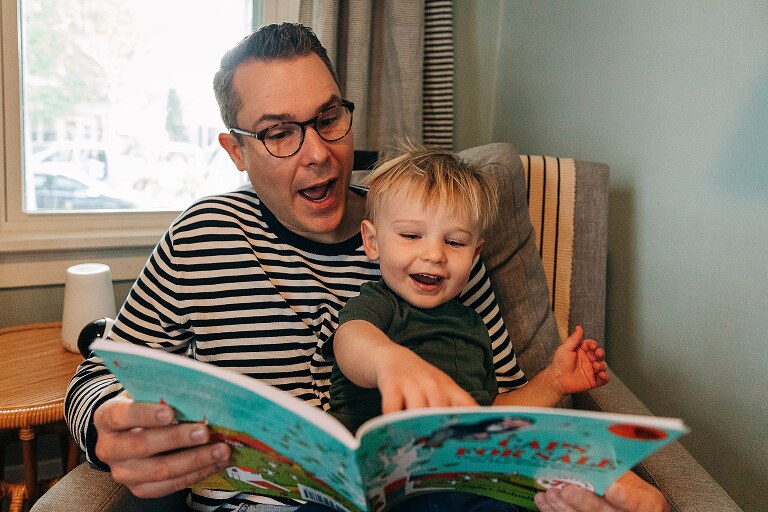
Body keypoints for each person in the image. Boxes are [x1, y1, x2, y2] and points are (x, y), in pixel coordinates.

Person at [64, 22, 671, 512]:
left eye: (329, 118)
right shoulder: (200, 238)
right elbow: (96, 376)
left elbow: (500, 403)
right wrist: (107, 427)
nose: (319, 152)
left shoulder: (438, 240)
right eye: (279, 133)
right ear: (237, 152)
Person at [325, 145, 609, 511]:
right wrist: (389, 361)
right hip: (373, 482)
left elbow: (491, 412)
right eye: (411, 235)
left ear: (475, 255)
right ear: (373, 241)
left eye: (455, 242)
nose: (434, 254)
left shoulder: (472, 324)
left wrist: (554, 382)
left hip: (461, 481)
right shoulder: (377, 306)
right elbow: (350, 341)